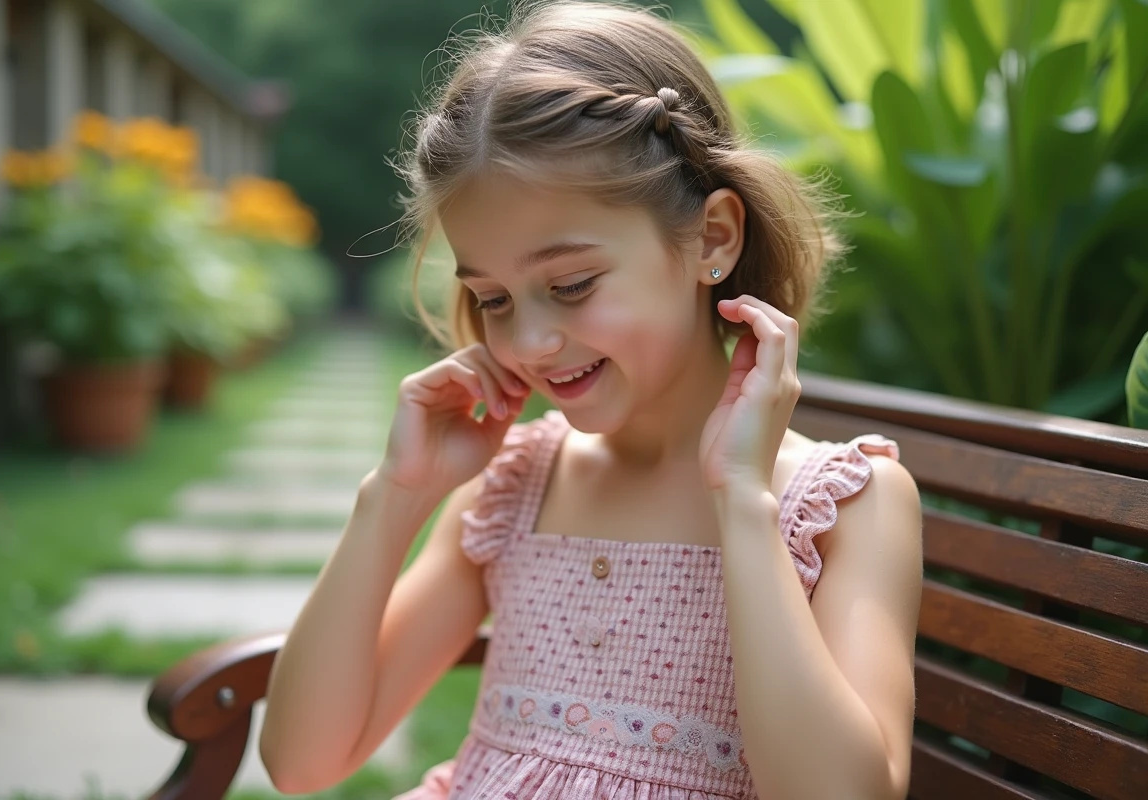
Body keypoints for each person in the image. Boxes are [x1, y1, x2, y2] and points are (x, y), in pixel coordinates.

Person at [259, 2, 924, 798]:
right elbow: (301, 763)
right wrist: (394, 498)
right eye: (495, 299)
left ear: (712, 238)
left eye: (571, 285)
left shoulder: (843, 506)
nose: (531, 341)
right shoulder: (513, 488)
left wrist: (742, 502)